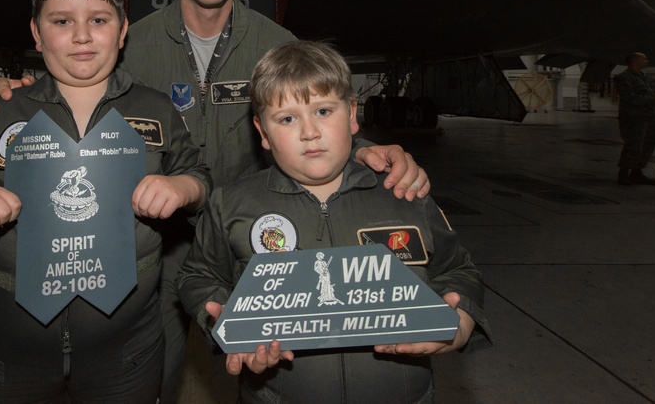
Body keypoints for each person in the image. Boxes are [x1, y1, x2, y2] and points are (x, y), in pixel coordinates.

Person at [0, 0, 430, 402]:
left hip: (252, 244)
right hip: (154, 253)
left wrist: (365, 147)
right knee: (147, 384)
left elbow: (316, 114)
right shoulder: (126, 44)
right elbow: (68, 87)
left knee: (266, 377)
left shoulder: (277, 45)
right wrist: (10, 95)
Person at [0, 0, 210, 402]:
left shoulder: (157, 109)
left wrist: (184, 188)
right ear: (37, 33)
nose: (82, 35)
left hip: (125, 355)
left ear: (122, 32)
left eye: (98, 20)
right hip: (11, 354)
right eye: (62, 21)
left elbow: (200, 177)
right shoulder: (3, 111)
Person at [177, 41, 491, 403]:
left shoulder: (404, 194)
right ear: (262, 132)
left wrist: (462, 323)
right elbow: (198, 276)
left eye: (324, 110)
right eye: (287, 118)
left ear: (353, 115)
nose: (309, 132)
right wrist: (223, 318)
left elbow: (459, 271)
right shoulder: (231, 205)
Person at [613, 52, 655, 185]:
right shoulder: (623, 77)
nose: (647, 61)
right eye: (644, 59)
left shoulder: (645, 77)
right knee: (634, 145)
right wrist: (651, 99)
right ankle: (623, 174)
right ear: (635, 61)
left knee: (648, 145)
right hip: (633, 118)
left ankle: (637, 172)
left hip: (649, 117)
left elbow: (654, 91)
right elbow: (628, 97)